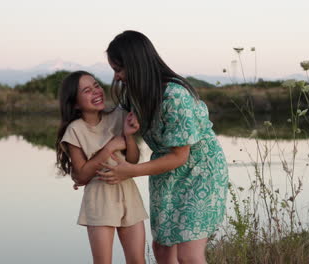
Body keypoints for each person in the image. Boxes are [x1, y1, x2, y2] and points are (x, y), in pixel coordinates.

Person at [98, 30, 229, 264]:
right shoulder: (136, 94)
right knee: (162, 249)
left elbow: (180, 156)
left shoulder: (175, 95)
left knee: (189, 254)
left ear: (136, 64)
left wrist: (130, 171)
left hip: (200, 171)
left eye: (119, 69)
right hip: (165, 172)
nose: (117, 77)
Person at [55, 70, 148, 264]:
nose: (96, 92)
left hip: (128, 194)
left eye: (96, 86)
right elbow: (81, 176)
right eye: (87, 91)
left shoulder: (120, 115)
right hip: (99, 199)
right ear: (75, 103)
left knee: (138, 261)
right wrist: (109, 148)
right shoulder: (75, 130)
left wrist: (128, 136)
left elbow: (132, 160)